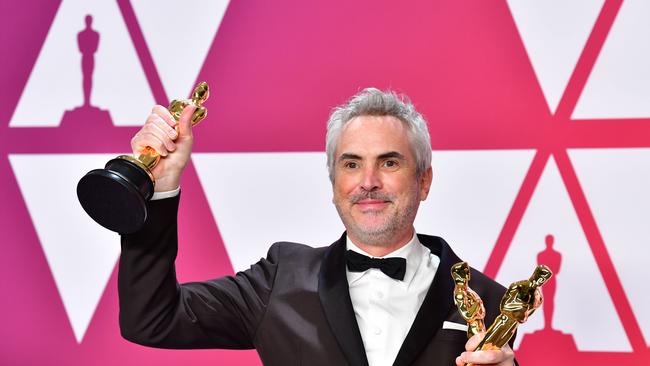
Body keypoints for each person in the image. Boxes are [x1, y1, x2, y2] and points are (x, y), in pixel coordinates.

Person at [118, 88, 517, 366]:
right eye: (351, 163)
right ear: (333, 184)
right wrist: (161, 186)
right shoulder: (279, 280)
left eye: (390, 162)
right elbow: (151, 319)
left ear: (424, 181)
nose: (369, 181)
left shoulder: (489, 300)